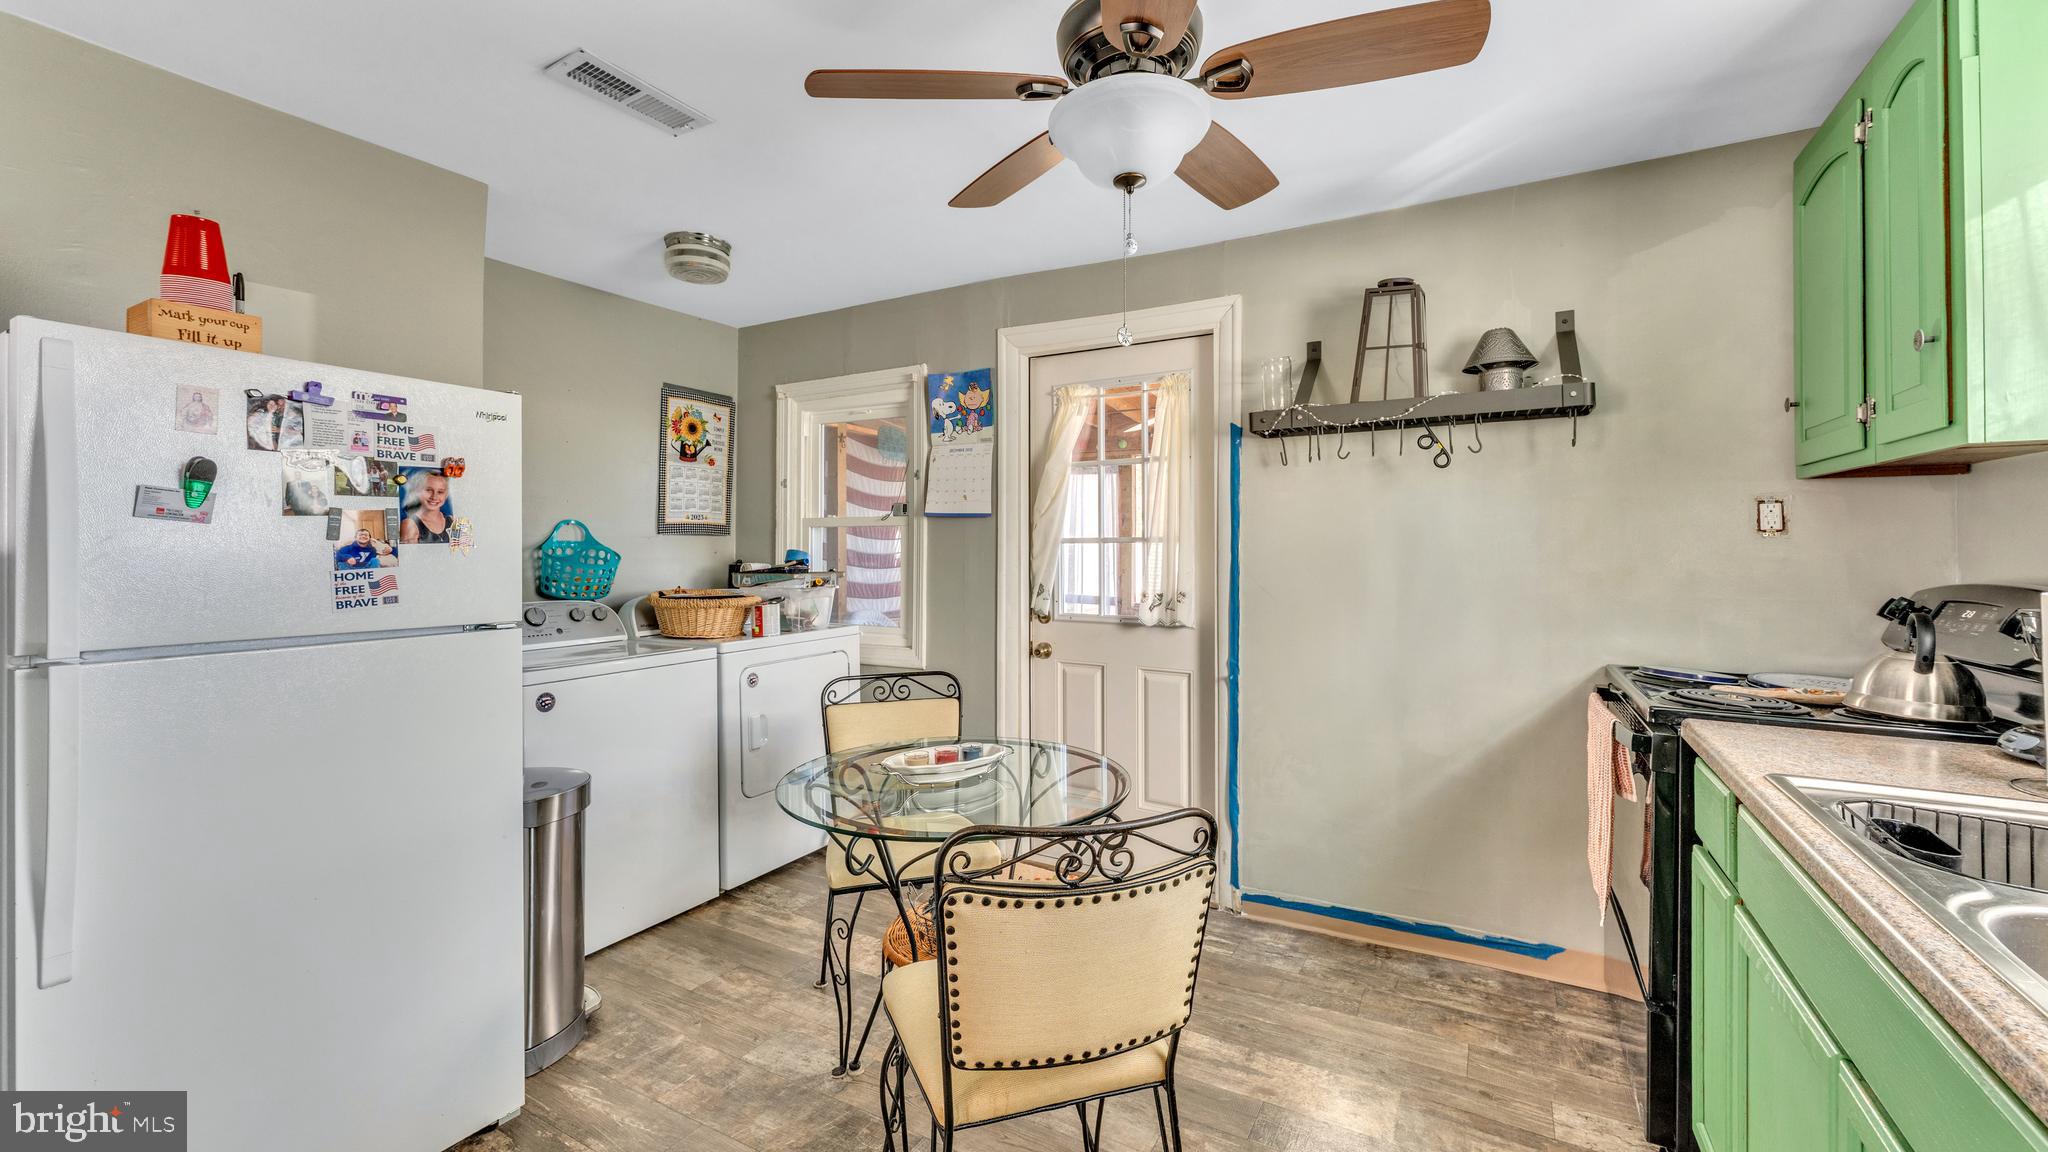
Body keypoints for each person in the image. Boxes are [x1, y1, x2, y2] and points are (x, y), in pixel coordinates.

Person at [400, 471, 453, 544]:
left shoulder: (452, 521)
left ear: (446, 495)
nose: (434, 497)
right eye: (428, 490)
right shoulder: (410, 525)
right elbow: (409, 555)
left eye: (440, 492)